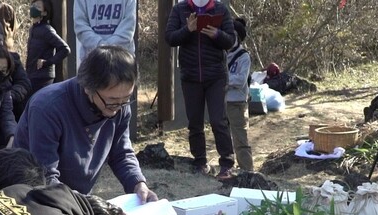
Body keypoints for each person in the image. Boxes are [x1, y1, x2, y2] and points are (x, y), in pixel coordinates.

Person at [15, 46, 157, 201]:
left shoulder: (119, 105)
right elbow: (45, 176)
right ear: (88, 88)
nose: (118, 108)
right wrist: (88, 207)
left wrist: (138, 184)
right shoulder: (47, 107)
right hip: (28, 196)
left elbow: (121, 154)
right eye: (112, 101)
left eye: (126, 99)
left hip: (74, 197)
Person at [166, 0, 237, 180]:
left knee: (218, 120)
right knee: (195, 122)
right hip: (190, 76)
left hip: (216, 76)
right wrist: (187, 29)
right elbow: (170, 38)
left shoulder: (220, 8)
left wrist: (216, 34)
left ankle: (227, 164)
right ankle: (199, 162)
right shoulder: (180, 9)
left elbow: (230, 40)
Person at [26, 0, 71, 94]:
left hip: (43, 78)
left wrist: (48, 62)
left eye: (38, 6)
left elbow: (65, 49)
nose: (33, 8)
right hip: (32, 75)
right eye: (33, 5)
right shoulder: (32, 29)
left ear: (44, 12)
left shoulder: (47, 30)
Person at [226, 17, 253, 172]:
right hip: (223, 102)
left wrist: (224, 79)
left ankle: (247, 171)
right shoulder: (222, 53)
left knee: (240, 139)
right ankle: (229, 167)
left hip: (237, 104)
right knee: (225, 139)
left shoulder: (244, 56)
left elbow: (241, 80)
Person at [73, 0, 136, 67]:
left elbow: (128, 28)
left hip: (122, 61)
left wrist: (106, 48)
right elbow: (81, 27)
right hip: (91, 62)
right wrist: (101, 47)